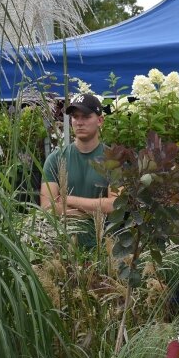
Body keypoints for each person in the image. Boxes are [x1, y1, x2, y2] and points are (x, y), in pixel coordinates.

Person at [40, 94, 116, 247]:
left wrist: (68, 200)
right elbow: (48, 208)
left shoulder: (113, 160)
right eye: (75, 117)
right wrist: (96, 213)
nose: (79, 122)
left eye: (86, 117)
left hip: (104, 249)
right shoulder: (56, 159)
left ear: (100, 121)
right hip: (63, 249)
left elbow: (114, 205)